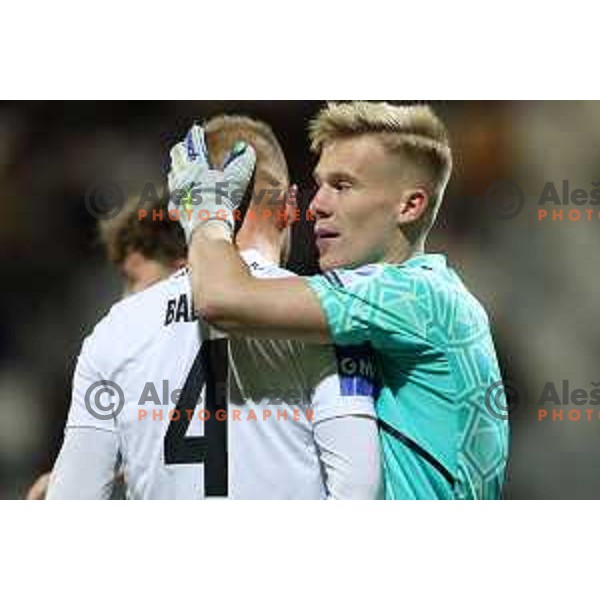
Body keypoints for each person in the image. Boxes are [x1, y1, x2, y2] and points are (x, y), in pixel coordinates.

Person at [174, 102, 509, 500]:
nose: (316, 206)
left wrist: (207, 210)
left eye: (343, 185)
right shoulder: (437, 297)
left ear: (409, 206)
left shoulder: (412, 297)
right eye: (319, 184)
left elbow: (220, 299)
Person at [46, 114, 381, 500]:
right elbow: (359, 490)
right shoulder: (329, 315)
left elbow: (72, 499)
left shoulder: (116, 330)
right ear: (289, 206)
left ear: (182, 209)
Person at [26, 197, 187, 499]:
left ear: (182, 271)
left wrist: (76, 480)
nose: (124, 297)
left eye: (133, 279)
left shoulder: (121, 344)